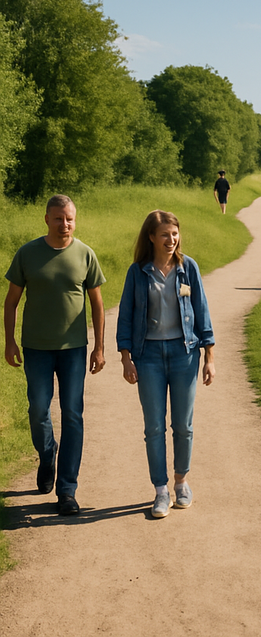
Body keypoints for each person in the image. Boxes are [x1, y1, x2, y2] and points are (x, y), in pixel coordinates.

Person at [3, 195, 106, 516]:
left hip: (74, 350)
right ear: (46, 219)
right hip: (36, 348)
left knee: (73, 415)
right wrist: (9, 342)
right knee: (38, 408)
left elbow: (98, 304)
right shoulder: (28, 254)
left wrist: (99, 347)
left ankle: (67, 491)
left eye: (70, 219)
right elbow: (11, 302)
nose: (65, 224)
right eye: (59, 218)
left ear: (75, 220)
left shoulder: (85, 255)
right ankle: (47, 454)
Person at [117, 210, 215, 519]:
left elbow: (201, 310)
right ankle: (160, 490)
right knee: (154, 427)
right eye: (164, 235)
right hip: (148, 358)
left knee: (183, 426)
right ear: (151, 237)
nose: (171, 240)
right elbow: (126, 315)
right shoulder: (138, 272)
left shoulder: (189, 269)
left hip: (184, 354)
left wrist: (209, 356)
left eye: (174, 234)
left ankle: (181, 482)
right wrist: (126, 358)